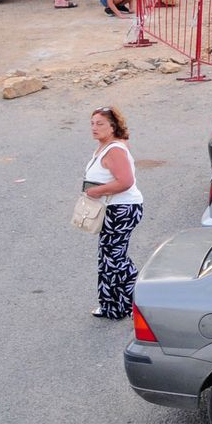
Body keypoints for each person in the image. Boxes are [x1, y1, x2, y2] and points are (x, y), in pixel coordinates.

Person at [81, 106, 144, 320]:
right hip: (113, 209)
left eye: (100, 124)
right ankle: (114, 306)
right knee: (108, 257)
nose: (94, 128)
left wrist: (95, 191)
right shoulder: (106, 146)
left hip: (122, 209)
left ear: (112, 126)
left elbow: (126, 182)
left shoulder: (114, 149)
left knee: (114, 259)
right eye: (92, 123)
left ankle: (142, 295)